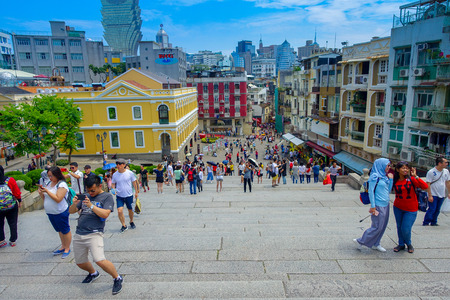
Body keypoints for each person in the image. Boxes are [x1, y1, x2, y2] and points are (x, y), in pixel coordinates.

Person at [69, 175, 123, 295]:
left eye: (92, 190)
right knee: (80, 262)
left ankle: (117, 278)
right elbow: (71, 211)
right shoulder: (86, 196)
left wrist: (91, 206)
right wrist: (74, 203)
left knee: (99, 259)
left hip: (94, 233)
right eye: (88, 190)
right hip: (79, 232)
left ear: (99, 186)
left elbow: (105, 214)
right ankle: (93, 273)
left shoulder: (107, 196)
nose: (90, 193)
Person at [354, 158, 393, 252]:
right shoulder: (375, 176)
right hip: (378, 205)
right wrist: (373, 206)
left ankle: (376, 243)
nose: (389, 167)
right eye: (388, 165)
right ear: (381, 165)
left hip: (386, 204)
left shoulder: (385, 176)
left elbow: (389, 190)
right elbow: (371, 191)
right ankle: (361, 241)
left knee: (383, 226)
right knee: (377, 226)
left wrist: (391, 180)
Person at [392, 162, 428, 253]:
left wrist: (416, 176)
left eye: (407, 168)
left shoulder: (411, 179)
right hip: (398, 207)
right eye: (403, 168)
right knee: (399, 227)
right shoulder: (394, 180)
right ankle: (401, 244)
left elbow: (425, 186)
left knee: (406, 228)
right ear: (397, 170)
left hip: (411, 208)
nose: (405, 170)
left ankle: (408, 243)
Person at [38, 166, 71, 258]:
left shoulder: (61, 185)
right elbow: (45, 198)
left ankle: (67, 248)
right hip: (50, 211)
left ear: (57, 175)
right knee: (59, 230)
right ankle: (63, 246)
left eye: (51, 176)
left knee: (65, 229)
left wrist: (47, 191)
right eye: (49, 176)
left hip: (60, 211)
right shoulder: (49, 183)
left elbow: (58, 199)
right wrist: (41, 193)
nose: (50, 178)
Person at [111, 158, 139, 233]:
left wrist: (136, 192)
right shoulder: (115, 174)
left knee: (130, 210)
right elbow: (113, 184)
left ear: (124, 165)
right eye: (117, 164)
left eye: (120, 164)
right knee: (119, 211)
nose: (118, 165)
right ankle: (124, 225)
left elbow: (134, 183)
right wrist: (113, 189)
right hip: (119, 196)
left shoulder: (130, 173)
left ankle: (131, 221)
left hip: (129, 195)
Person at [423, 157, 450, 226]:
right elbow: (428, 184)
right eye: (445, 162)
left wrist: (449, 192)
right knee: (432, 208)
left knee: (438, 209)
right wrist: (430, 195)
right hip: (433, 193)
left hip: (441, 193)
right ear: (440, 163)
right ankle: (426, 221)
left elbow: (447, 182)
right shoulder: (431, 172)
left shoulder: (446, 171)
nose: (447, 164)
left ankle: (434, 221)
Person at [0, 165, 22, 248]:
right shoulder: (10, 180)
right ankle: (13, 241)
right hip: (11, 206)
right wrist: (19, 201)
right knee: (12, 223)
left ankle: (1, 240)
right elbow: (16, 192)